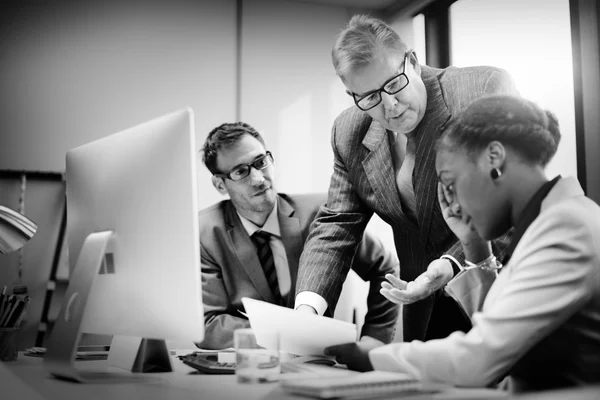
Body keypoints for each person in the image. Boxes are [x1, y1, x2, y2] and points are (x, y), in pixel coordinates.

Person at [324, 94, 600, 392]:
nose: (452, 206)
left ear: (494, 158)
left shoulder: (565, 227)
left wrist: (374, 355)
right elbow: (502, 333)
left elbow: (481, 359)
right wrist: (473, 245)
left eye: (451, 183)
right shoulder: (552, 221)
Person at [295, 14, 519, 342]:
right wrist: (307, 311)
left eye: (393, 84)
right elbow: (337, 224)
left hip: (505, 290)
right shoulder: (348, 132)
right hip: (424, 307)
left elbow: (510, 200)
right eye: (369, 97)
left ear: (412, 61)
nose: (390, 105)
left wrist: (448, 265)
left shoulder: (481, 92)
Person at [195, 122, 400, 350]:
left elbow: (385, 268)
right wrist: (285, 332)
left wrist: (374, 338)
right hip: (249, 365)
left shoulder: (323, 213)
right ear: (220, 184)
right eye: (241, 171)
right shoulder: (205, 233)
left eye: (260, 163)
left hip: (322, 361)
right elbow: (207, 325)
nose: (258, 179)